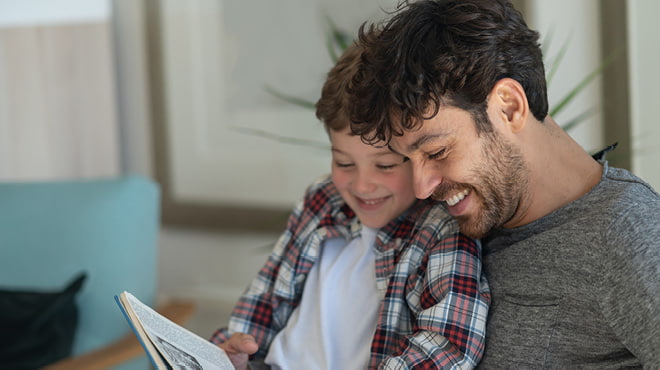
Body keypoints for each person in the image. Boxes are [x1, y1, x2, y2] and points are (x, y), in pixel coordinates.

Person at [344, 0, 660, 368]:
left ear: (509, 107)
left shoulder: (629, 235)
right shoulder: (437, 227)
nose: (422, 188)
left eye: (437, 151)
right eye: (405, 159)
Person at [210, 43, 490, 369]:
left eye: (385, 166)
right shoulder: (322, 199)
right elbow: (264, 302)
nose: (361, 186)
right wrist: (234, 353)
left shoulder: (441, 226)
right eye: (344, 163)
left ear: (420, 156)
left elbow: (448, 347)